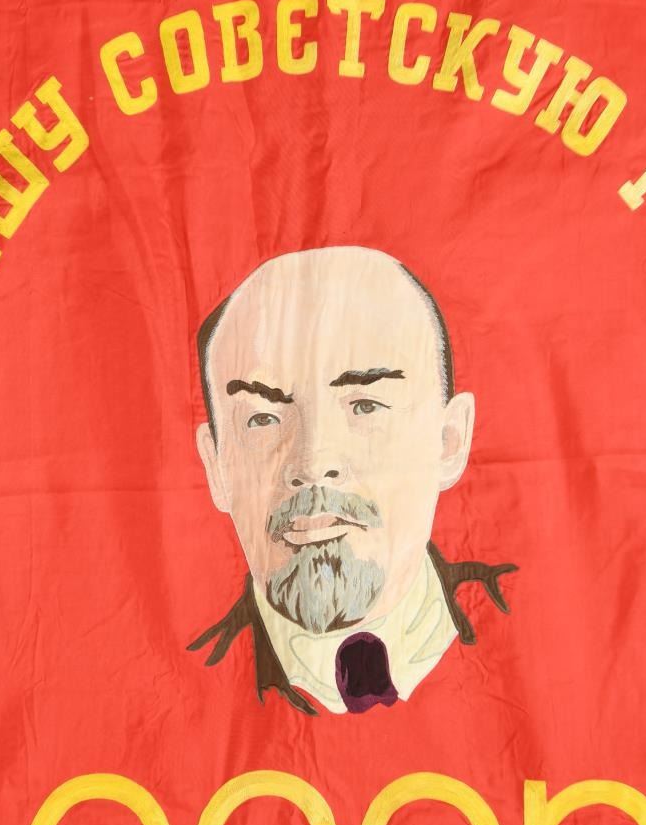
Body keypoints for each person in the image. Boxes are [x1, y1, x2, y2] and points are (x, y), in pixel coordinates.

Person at [188, 246, 516, 716]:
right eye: (262, 418)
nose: (312, 462)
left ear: (449, 441)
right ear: (216, 465)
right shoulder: (173, 691)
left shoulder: (545, 639)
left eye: (365, 406)